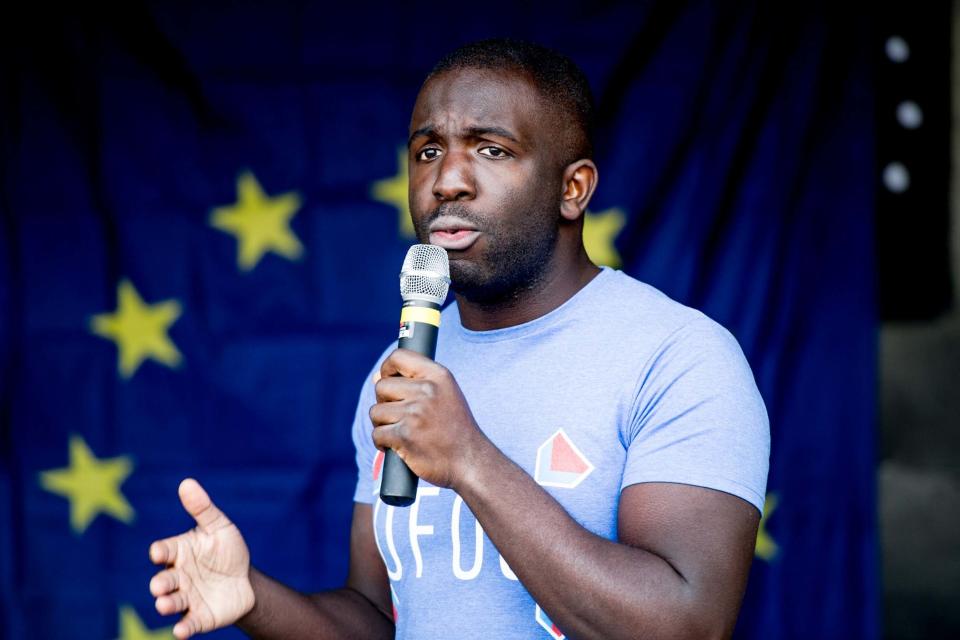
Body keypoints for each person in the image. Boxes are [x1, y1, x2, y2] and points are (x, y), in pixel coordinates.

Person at [148, 39, 769, 640]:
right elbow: (377, 617)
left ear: (572, 189)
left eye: (492, 150)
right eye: (427, 152)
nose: (448, 182)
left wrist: (469, 459)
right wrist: (254, 598)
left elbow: (687, 625)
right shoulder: (404, 370)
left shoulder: (678, 357)